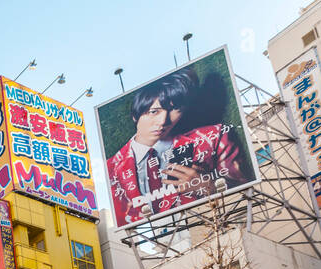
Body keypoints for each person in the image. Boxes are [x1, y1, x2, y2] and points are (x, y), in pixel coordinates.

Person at [106, 66, 253, 227]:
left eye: (175, 110)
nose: (163, 121)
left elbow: (244, 190)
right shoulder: (111, 169)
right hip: (155, 244)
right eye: (154, 111)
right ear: (135, 115)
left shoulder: (214, 137)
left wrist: (209, 186)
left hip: (208, 231)